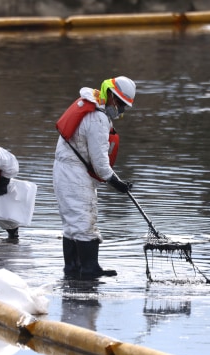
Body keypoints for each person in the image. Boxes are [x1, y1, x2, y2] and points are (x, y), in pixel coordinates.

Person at [53, 76, 136, 279]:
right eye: (121, 105)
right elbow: (100, 164)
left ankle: (72, 268)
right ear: (112, 97)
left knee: (73, 223)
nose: (121, 111)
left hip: (65, 171)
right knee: (84, 220)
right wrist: (117, 183)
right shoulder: (97, 119)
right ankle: (90, 269)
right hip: (73, 174)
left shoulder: (90, 106)